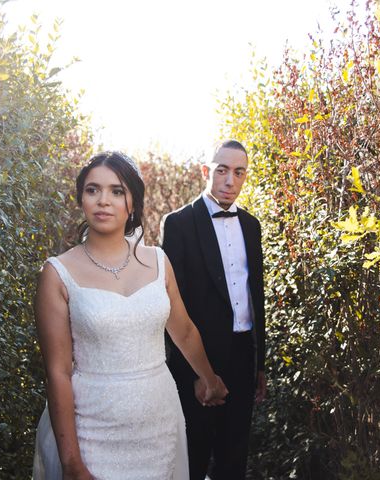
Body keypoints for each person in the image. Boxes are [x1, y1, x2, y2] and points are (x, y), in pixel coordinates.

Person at [32, 151, 228, 480]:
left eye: (116, 191)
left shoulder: (158, 262)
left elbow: (184, 332)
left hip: (158, 427)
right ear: (81, 198)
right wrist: (71, 463)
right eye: (93, 190)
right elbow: (58, 373)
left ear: (132, 202)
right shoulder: (58, 273)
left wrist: (210, 380)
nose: (103, 200)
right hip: (92, 430)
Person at [160, 140, 266, 480]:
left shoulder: (251, 226)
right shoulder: (179, 224)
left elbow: (255, 296)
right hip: (199, 359)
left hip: (242, 357)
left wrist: (259, 363)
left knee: (234, 460)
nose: (230, 181)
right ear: (207, 171)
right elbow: (172, 308)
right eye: (222, 171)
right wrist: (193, 375)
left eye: (239, 173)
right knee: (192, 458)